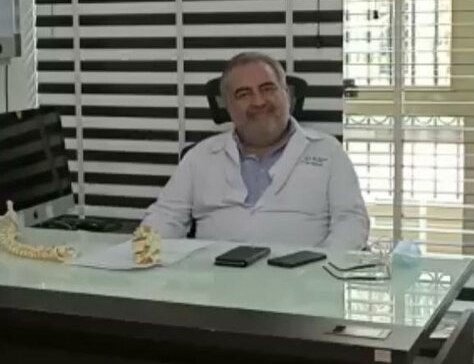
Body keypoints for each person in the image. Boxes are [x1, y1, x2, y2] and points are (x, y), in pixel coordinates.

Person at [141, 52, 369, 249]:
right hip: (214, 279)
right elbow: (165, 217)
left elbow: (351, 222)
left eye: (268, 89)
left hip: (303, 280)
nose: (259, 102)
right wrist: (143, 256)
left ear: (287, 95)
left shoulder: (328, 151)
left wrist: (321, 270)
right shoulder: (200, 156)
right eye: (244, 94)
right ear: (227, 106)